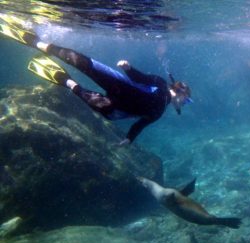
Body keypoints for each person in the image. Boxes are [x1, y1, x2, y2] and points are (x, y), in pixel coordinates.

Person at [0, 15, 192, 145]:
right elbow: (140, 78)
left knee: (80, 91)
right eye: (186, 99)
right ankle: (36, 42)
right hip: (119, 85)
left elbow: (139, 124)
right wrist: (128, 68)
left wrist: (129, 139)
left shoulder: (158, 113)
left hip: (113, 108)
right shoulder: (159, 83)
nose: (184, 103)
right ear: (180, 92)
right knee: (79, 60)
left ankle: (64, 79)